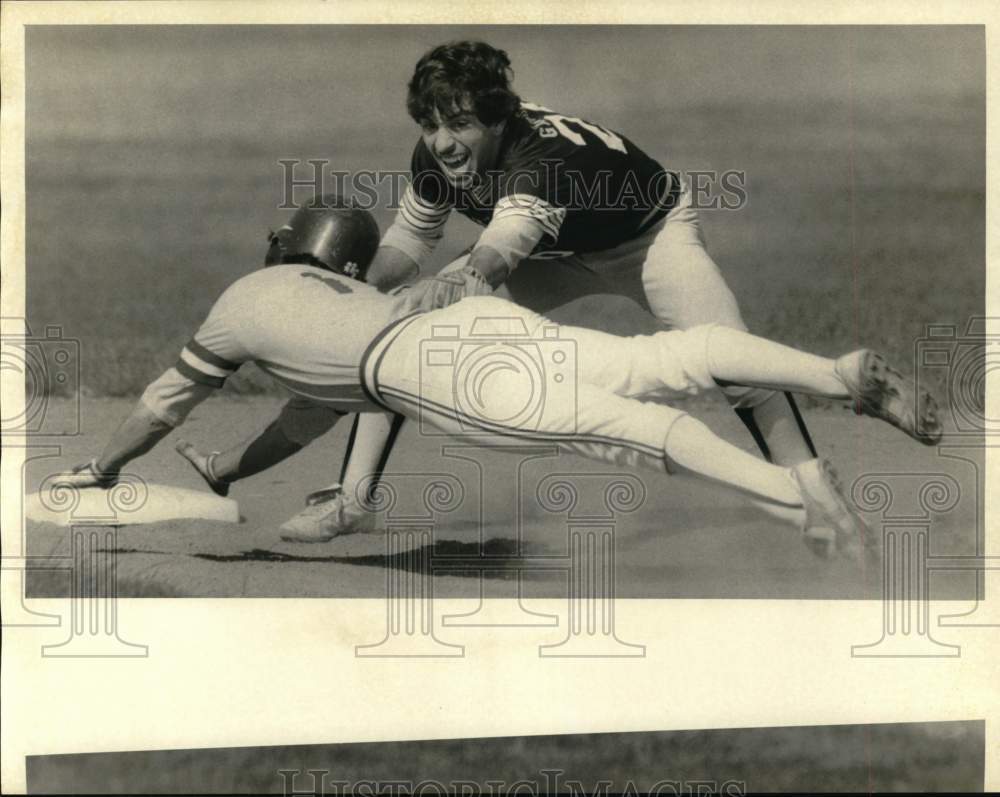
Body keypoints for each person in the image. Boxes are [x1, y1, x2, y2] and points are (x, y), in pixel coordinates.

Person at [57, 199, 942, 563]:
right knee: (657, 362)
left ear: (287, 249)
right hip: (472, 321)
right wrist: (232, 473)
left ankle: (804, 507)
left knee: (626, 432)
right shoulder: (356, 297)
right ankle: (833, 371)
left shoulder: (245, 299)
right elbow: (307, 416)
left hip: (434, 373)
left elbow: (162, 401)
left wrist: (102, 471)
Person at [281, 40, 858, 537]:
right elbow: (409, 240)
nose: (442, 140)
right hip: (551, 251)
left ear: (499, 119)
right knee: (401, 331)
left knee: (735, 357)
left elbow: (502, 248)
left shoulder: (541, 157)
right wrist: (348, 286)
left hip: (647, 236)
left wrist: (461, 280)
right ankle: (355, 502)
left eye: (459, 124)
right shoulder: (435, 155)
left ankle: (818, 496)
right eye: (430, 124)